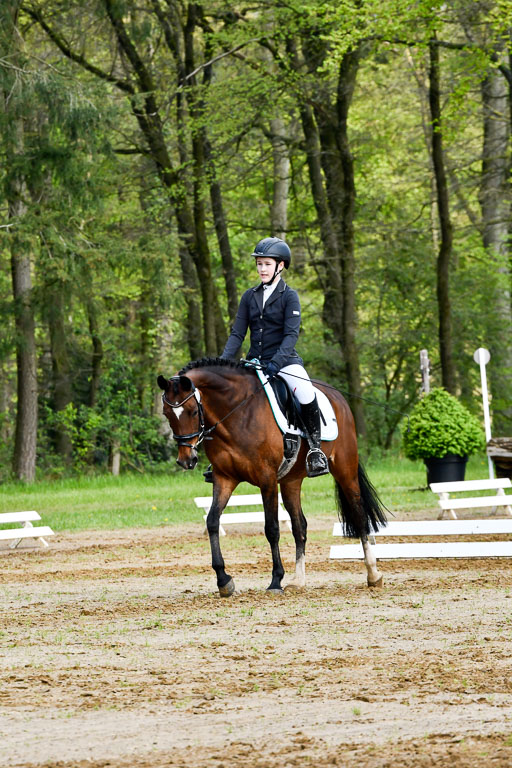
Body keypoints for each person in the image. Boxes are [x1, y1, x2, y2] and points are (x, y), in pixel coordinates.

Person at [221, 236, 329, 477]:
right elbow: (237, 334)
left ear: (280, 266)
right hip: (254, 363)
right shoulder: (249, 296)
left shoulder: (290, 296)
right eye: (259, 264)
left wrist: (276, 364)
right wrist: (223, 364)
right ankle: (225, 455)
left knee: (305, 390)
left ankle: (315, 450)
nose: (261, 269)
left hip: (284, 362)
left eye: (266, 264)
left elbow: (291, 335)